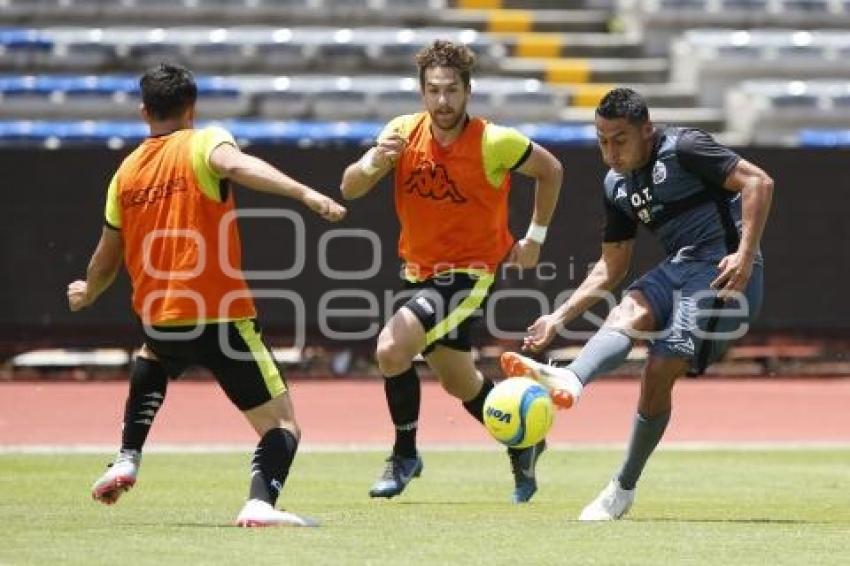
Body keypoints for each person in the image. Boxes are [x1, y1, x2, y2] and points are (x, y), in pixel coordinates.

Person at [67, 62, 347, 527]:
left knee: (153, 355)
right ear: (191, 108)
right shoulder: (203, 141)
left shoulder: (125, 173)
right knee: (282, 426)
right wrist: (305, 195)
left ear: (143, 112)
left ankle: (127, 456)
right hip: (219, 314)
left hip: (159, 315)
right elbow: (235, 164)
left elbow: (106, 255)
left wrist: (88, 291)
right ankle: (260, 504)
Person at [501, 87, 773, 519]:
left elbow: (759, 181)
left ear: (646, 130)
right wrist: (558, 317)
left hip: (726, 273)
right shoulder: (616, 185)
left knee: (659, 370)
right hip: (680, 267)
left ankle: (622, 486)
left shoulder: (685, 147)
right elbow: (612, 267)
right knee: (628, 310)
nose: (610, 151)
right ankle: (571, 379)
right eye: (602, 140)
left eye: (620, 139)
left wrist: (744, 253)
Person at [339, 40, 564, 503]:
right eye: (434, 91)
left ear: (468, 91)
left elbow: (551, 169)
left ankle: (404, 456)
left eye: (452, 91)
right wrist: (374, 160)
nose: (443, 101)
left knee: (391, 347)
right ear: (422, 92)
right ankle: (525, 442)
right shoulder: (401, 133)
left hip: (469, 274)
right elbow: (350, 187)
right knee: (459, 381)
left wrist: (535, 239)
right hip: (417, 272)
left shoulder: (493, 140)